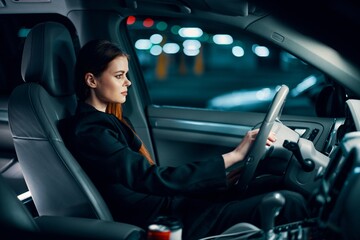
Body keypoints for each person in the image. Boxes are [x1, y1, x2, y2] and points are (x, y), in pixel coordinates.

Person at [59, 39, 309, 240]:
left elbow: (150, 175)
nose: (129, 82)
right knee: (290, 203)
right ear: (91, 80)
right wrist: (234, 156)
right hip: (161, 217)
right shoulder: (91, 132)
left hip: (169, 204)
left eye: (126, 74)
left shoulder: (104, 122)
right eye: (119, 76)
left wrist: (223, 178)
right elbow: (149, 178)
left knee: (271, 184)